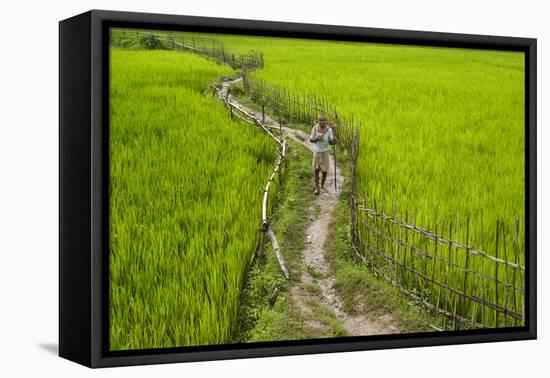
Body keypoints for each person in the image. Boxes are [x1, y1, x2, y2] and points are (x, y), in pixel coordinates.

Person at [310, 113, 337, 195]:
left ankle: (322, 186)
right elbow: (311, 140)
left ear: (326, 121)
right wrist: (316, 138)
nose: (322, 122)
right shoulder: (315, 128)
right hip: (317, 152)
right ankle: (317, 188)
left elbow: (331, 142)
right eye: (320, 120)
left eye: (323, 120)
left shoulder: (329, 130)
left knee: (324, 171)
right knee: (316, 170)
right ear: (318, 121)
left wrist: (334, 141)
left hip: (325, 152)